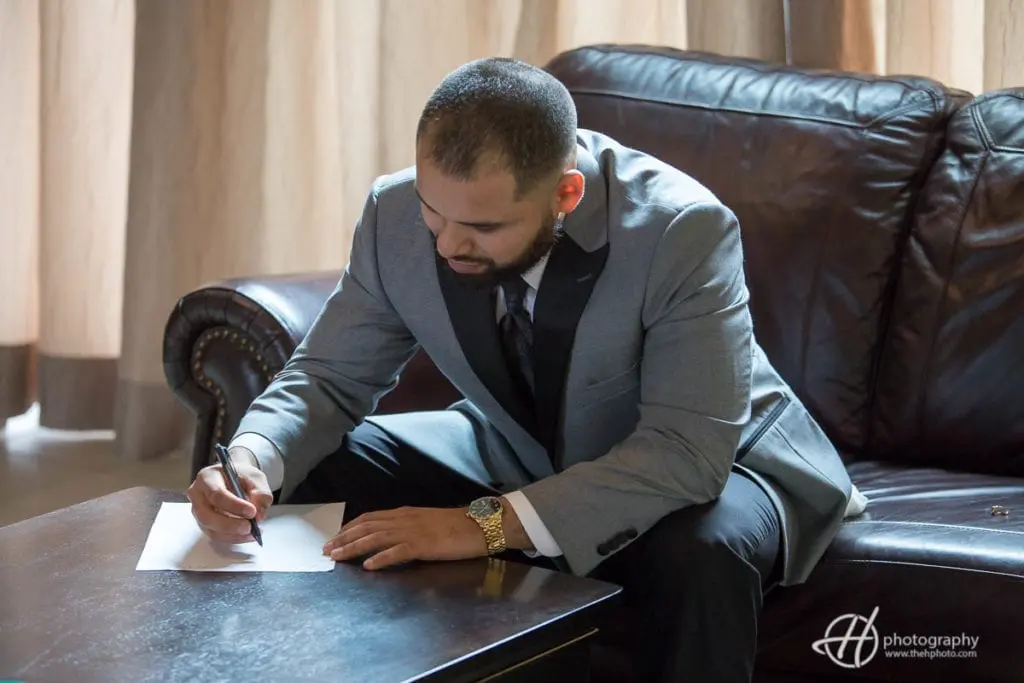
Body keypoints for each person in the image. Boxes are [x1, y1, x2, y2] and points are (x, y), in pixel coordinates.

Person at [186, 57, 867, 682]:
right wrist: (252, 458)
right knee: (316, 468)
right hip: (519, 446)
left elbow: (687, 452)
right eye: (433, 210)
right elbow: (328, 378)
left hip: (723, 461)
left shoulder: (681, 230)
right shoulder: (393, 214)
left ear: (565, 193)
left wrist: (479, 524)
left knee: (698, 553)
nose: (447, 242)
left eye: (482, 228)